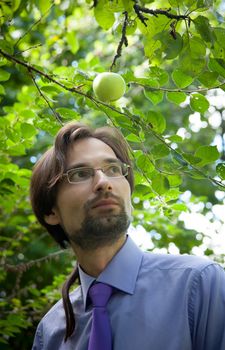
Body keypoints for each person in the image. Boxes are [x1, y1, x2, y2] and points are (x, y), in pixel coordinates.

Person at [31, 122, 225, 350]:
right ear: (51, 212)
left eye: (113, 169)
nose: (103, 183)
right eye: (80, 174)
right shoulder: (50, 333)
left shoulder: (200, 285)